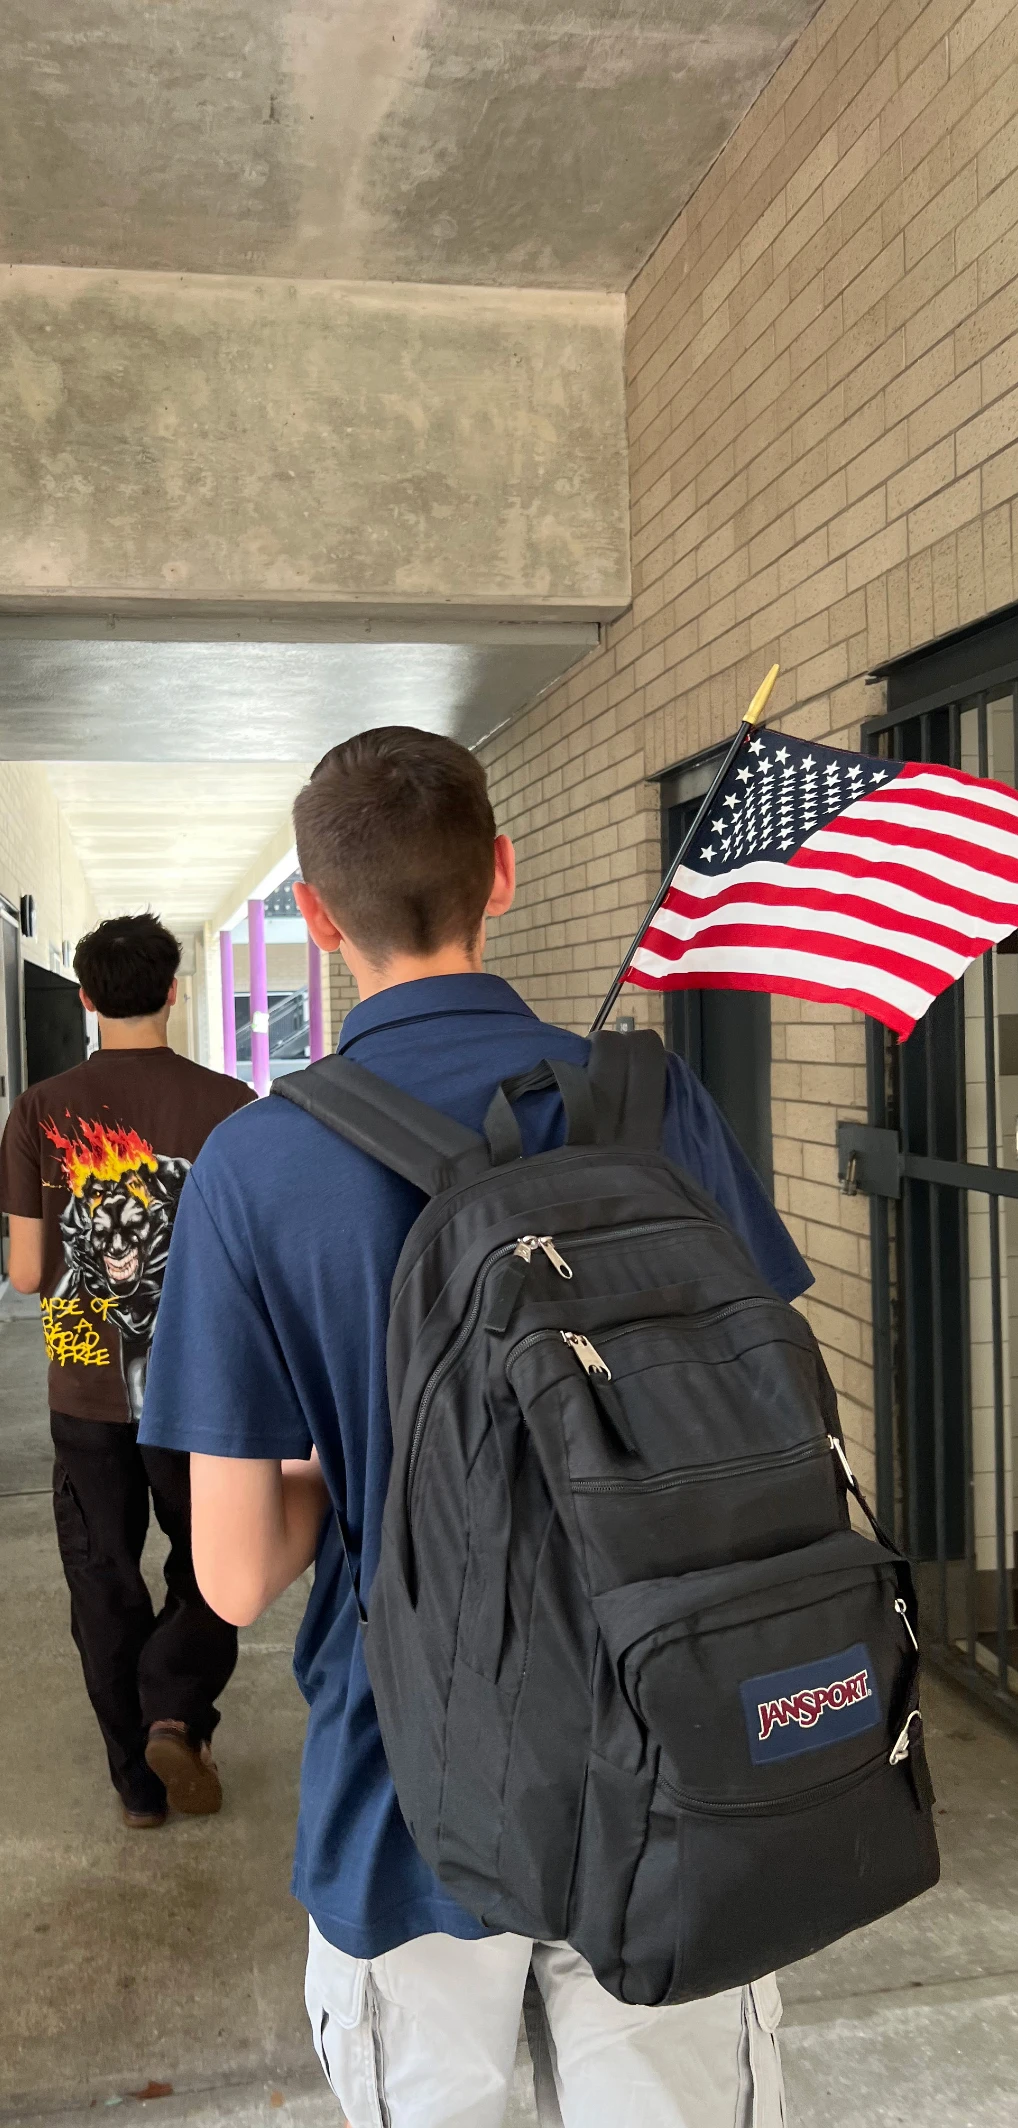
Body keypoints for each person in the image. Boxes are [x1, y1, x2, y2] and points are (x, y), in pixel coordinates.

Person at [140, 730, 811, 2127]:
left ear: (318, 919)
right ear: (500, 875)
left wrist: (337, 1469)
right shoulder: (649, 1099)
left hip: (409, 1791)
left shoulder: (256, 1167)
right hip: (676, 1739)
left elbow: (235, 1576)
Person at [0, 913, 253, 1829]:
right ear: (175, 990)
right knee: (213, 1560)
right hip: (200, 1382)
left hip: (83, 1379)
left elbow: (28, 1273)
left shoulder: (38, 1109)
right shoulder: (233, 1105)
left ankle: (137, 1784)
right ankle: (175, 1709)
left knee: (103, 1571)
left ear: (87, 998)